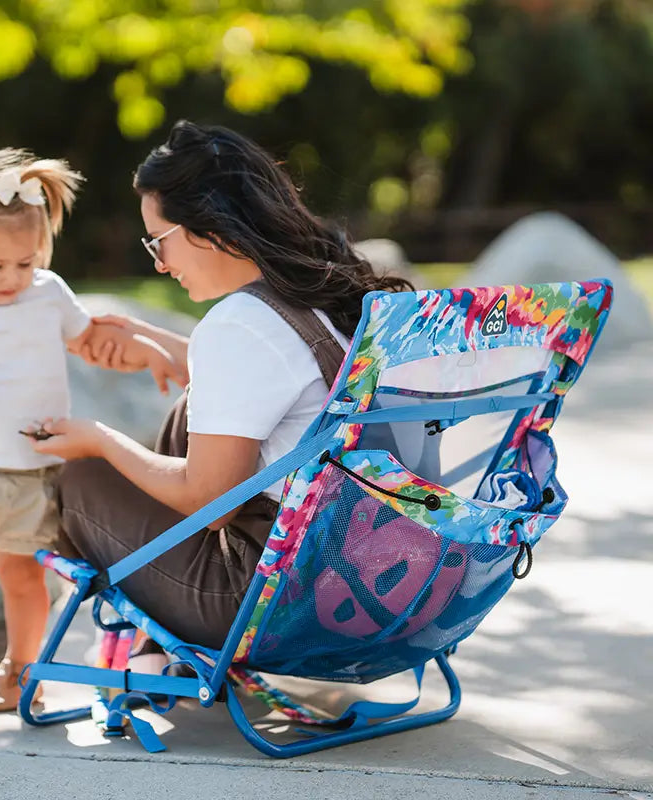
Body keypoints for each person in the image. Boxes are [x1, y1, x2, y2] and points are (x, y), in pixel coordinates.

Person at [32, 120, 412, 668]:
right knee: (192, 413)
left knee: (79, 481)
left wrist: (99, 440)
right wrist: (167, 348)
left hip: (269, 606)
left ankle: (146, 647)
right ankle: (150, 647)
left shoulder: (237, 325)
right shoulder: (328, 294)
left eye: (159, 241)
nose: (159, 264)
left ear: (211, 226)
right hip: (370, 583)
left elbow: (208, 504)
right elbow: (289, 390)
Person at [0, 148, 187, 712]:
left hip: (33, 466)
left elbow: (90, 341)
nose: (13, 278)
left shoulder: (48, 292)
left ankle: (18, 670)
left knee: (20, 576)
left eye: (26, 262)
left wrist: (151, 353)